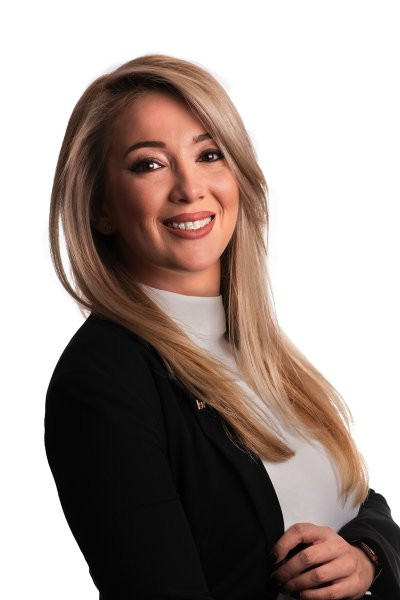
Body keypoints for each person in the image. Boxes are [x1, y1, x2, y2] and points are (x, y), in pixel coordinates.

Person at [44, 54, 400, 600]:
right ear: (100, 207)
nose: (190, 188)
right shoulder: (102, 382)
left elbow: (354, 498)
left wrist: (366, 557)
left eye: (209, 154)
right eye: (149, 164)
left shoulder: (257, 347)